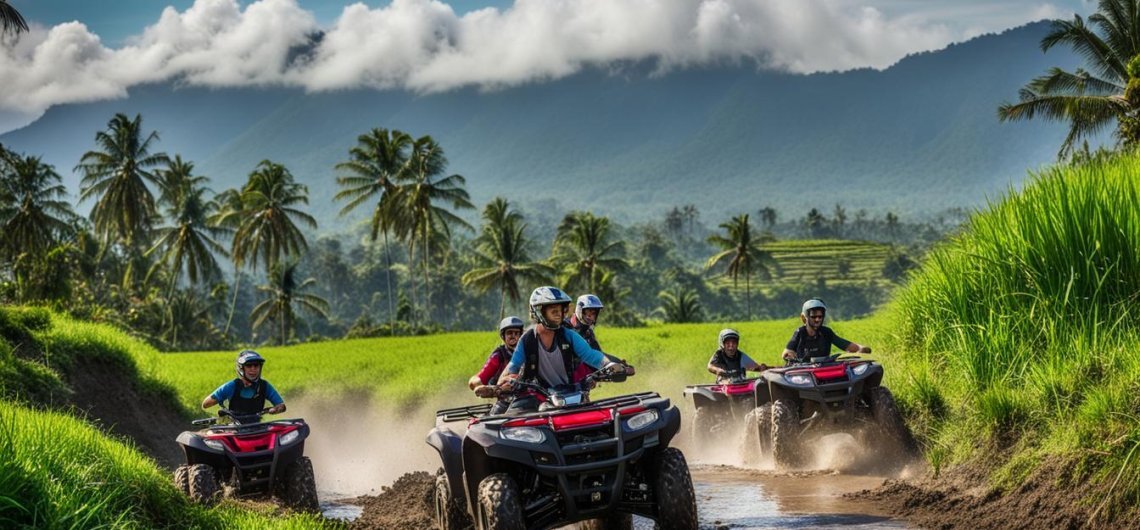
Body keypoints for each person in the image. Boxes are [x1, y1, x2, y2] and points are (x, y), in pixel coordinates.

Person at [498, 286, 628, 413]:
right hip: (535, 395)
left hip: (569, 394)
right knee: (511, 422)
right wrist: (501, 383)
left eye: (560, 311)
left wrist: (608, 364)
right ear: (539, 311)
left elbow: (591, 354)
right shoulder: (527, 339)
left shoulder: (569, 335)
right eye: (553, 311)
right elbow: (513, 365)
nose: (559, 315)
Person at [201, 350, 286, 418]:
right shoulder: (232, 386)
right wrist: (221, 400)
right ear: (241, 369)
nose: (253, 369)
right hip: (234, 429)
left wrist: (274, 410)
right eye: (249, 366)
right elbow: (205, 404)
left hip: (258, 428)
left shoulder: (264, 386)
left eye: (256, 365)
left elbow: (281, 406)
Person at [781, 298, 871, 363]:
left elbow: (848, 346)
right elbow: (786, 353)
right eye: (813, 317)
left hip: (825, 370)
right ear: (804, 318)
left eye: (820, 317)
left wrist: (861, 349)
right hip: (803, 371)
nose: (817, 320)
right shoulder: (800, 333)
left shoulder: (826, 332)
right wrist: (790, 356)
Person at [468, 316, 525, 414]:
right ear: (503, 336)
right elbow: (479, 378)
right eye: (509, 333)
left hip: (530, 398)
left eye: (516, 333)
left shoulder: (529, 352)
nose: (513, 336)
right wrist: (478, 384)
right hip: (506, 401)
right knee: (495, 418)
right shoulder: (498, 356)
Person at [568, 293, 635, 375]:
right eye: (588, 313)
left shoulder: (588, 332)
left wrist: (621, 364)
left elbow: (598, 354)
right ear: (580, 310)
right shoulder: (565, 328)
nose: (591, 317)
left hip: (581, 379)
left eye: (594, 314)